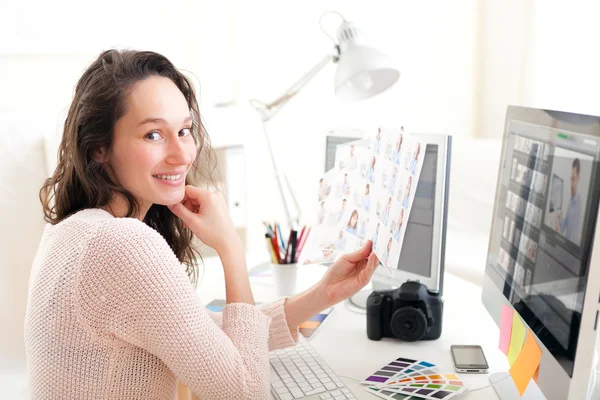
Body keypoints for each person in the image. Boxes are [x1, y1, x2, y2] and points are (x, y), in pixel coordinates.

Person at [24, 49, 380, 399]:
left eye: (184, 130)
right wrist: (230, 248)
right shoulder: (121, 244)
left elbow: (197, 341)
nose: (182, 154)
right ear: (99, 147)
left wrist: (322, 294)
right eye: (153, 134)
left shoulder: (72, 230)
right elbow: (244, 394)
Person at [555, 158, 582, 244]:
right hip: (565, 247)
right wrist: (560, 219)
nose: (571, 184)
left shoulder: (580, 203)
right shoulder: (570, 202)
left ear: (578, 178)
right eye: (571, 179)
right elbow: (563, 228)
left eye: (573, 179)